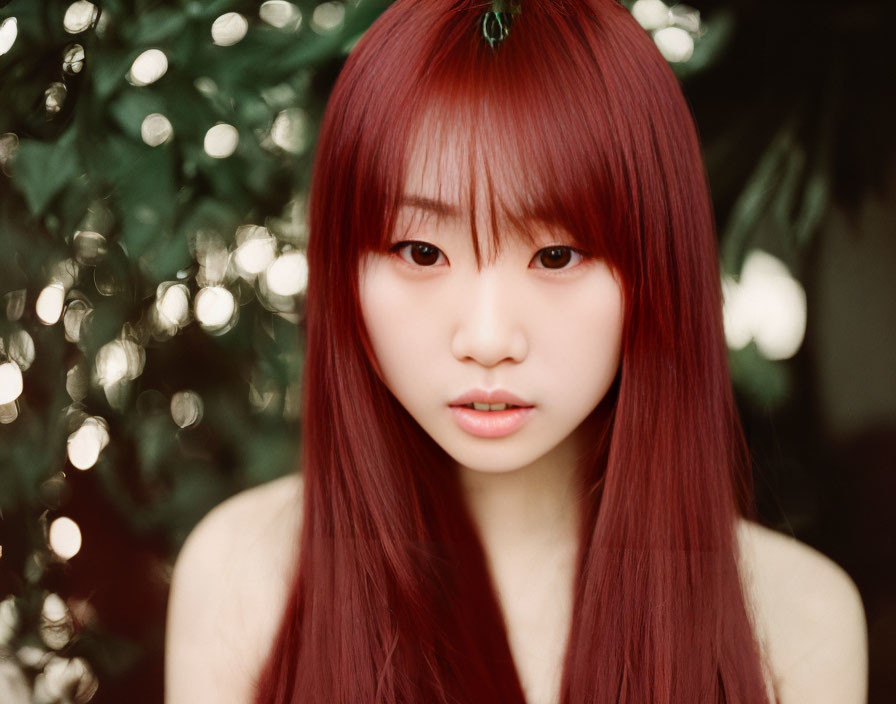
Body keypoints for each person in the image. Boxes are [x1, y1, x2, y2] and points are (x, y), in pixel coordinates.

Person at [164, 1, 869, 702]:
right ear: (343, 269)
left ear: (658, 268)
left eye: (556, 255)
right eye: (421, 251)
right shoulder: (242, 579)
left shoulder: (797, 621)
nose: (489, 339)